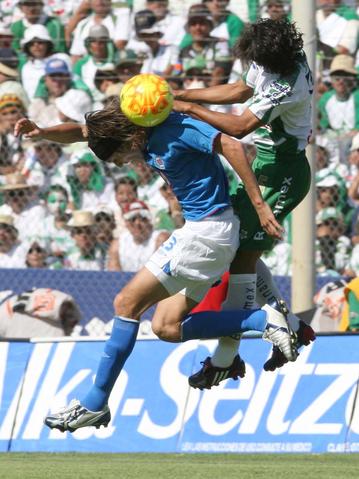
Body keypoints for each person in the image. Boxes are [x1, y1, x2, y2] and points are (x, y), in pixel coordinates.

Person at [15, 97, 297, 432]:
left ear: (130, 140)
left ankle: (95, 402)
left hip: (206, 233)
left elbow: (232, 146)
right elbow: (80, 130)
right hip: (207, 238)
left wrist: (259, 205)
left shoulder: (176, 129)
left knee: (125, 303)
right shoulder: (134, 128)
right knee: (166, 327)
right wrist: (42, 131)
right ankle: (263, 320)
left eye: (118, 157)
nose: (121, 165)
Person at [173, 18, 316, 388]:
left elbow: (239, 127)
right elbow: (239, 90)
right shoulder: (272, 58)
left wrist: (188, 108)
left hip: (283, 173)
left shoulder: (288, 81)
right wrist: (190, 94)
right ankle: (293, 327)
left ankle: (224, 360)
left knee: (241, 258)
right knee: (239, 250)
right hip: (265, 166)